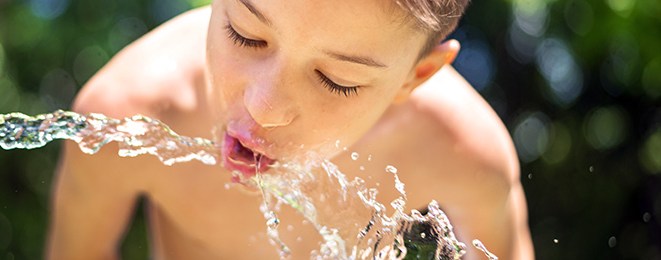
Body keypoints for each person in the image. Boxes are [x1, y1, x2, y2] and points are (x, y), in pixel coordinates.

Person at [46, 0, 534, 259]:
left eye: (335, 81)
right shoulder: (127, 119)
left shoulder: (464, 155)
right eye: (246, 34)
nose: (265, 107)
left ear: (416, 76)